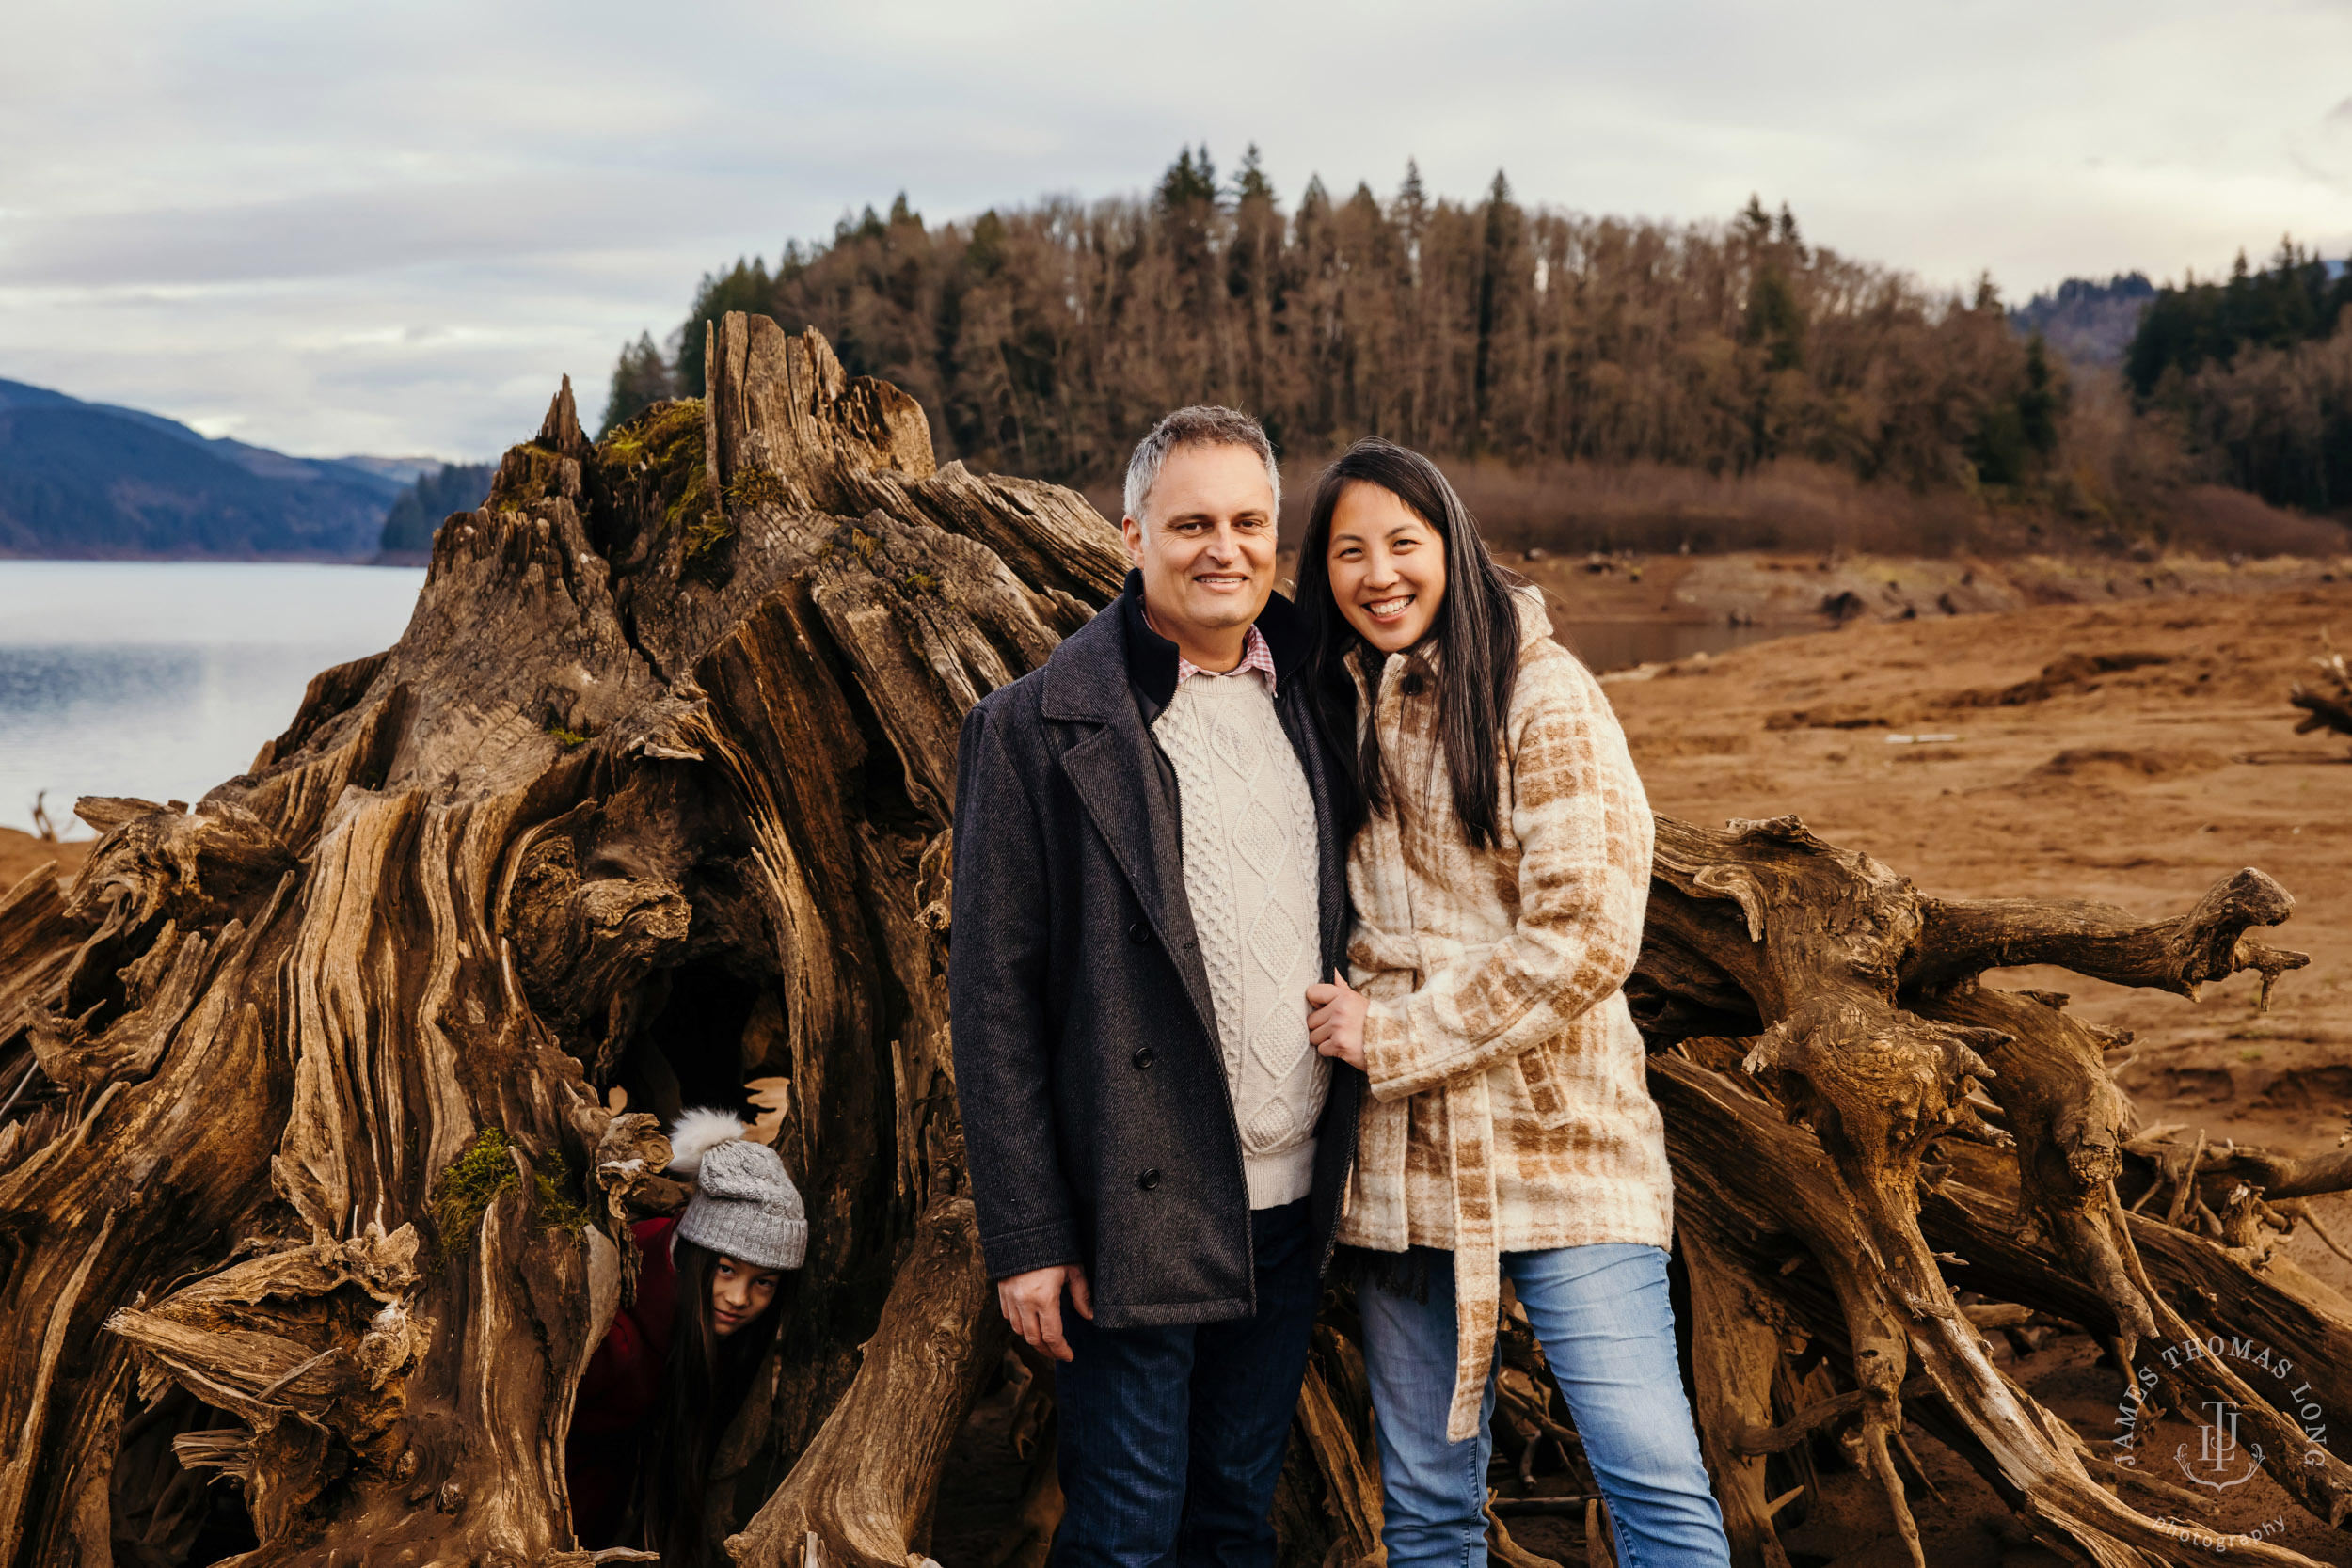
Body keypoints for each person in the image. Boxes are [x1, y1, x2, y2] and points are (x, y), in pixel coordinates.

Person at [1295, 438, 1731, 1567]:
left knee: (1652, 1475)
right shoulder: (1323, 699)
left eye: (1403, 542)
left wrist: (1390, 1033)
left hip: (1563, 1145)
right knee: (1430, 1506)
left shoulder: (1543, 690)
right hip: (1395, 1166)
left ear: (1453, 543)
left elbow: (1586, 937)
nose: (1378, 573)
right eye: (1349, 551)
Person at [949, 405, 1366, 1566]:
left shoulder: (1324, 699)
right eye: (1190, 523)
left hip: (1293, 1200)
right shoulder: (1030, 728)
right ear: (1130, 534)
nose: (1220, 548)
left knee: (1234, 1518)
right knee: (1127, 1531)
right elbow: (990, 1003)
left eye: (1247, 522)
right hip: (1131, 1207)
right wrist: (1026, 1233)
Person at [566, 1109, 808, 1566]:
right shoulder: (614, 1338)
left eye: (764, 1282)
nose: (738, 1299)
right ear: (695, 1255)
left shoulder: (699, 1322)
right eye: (726, 1269)